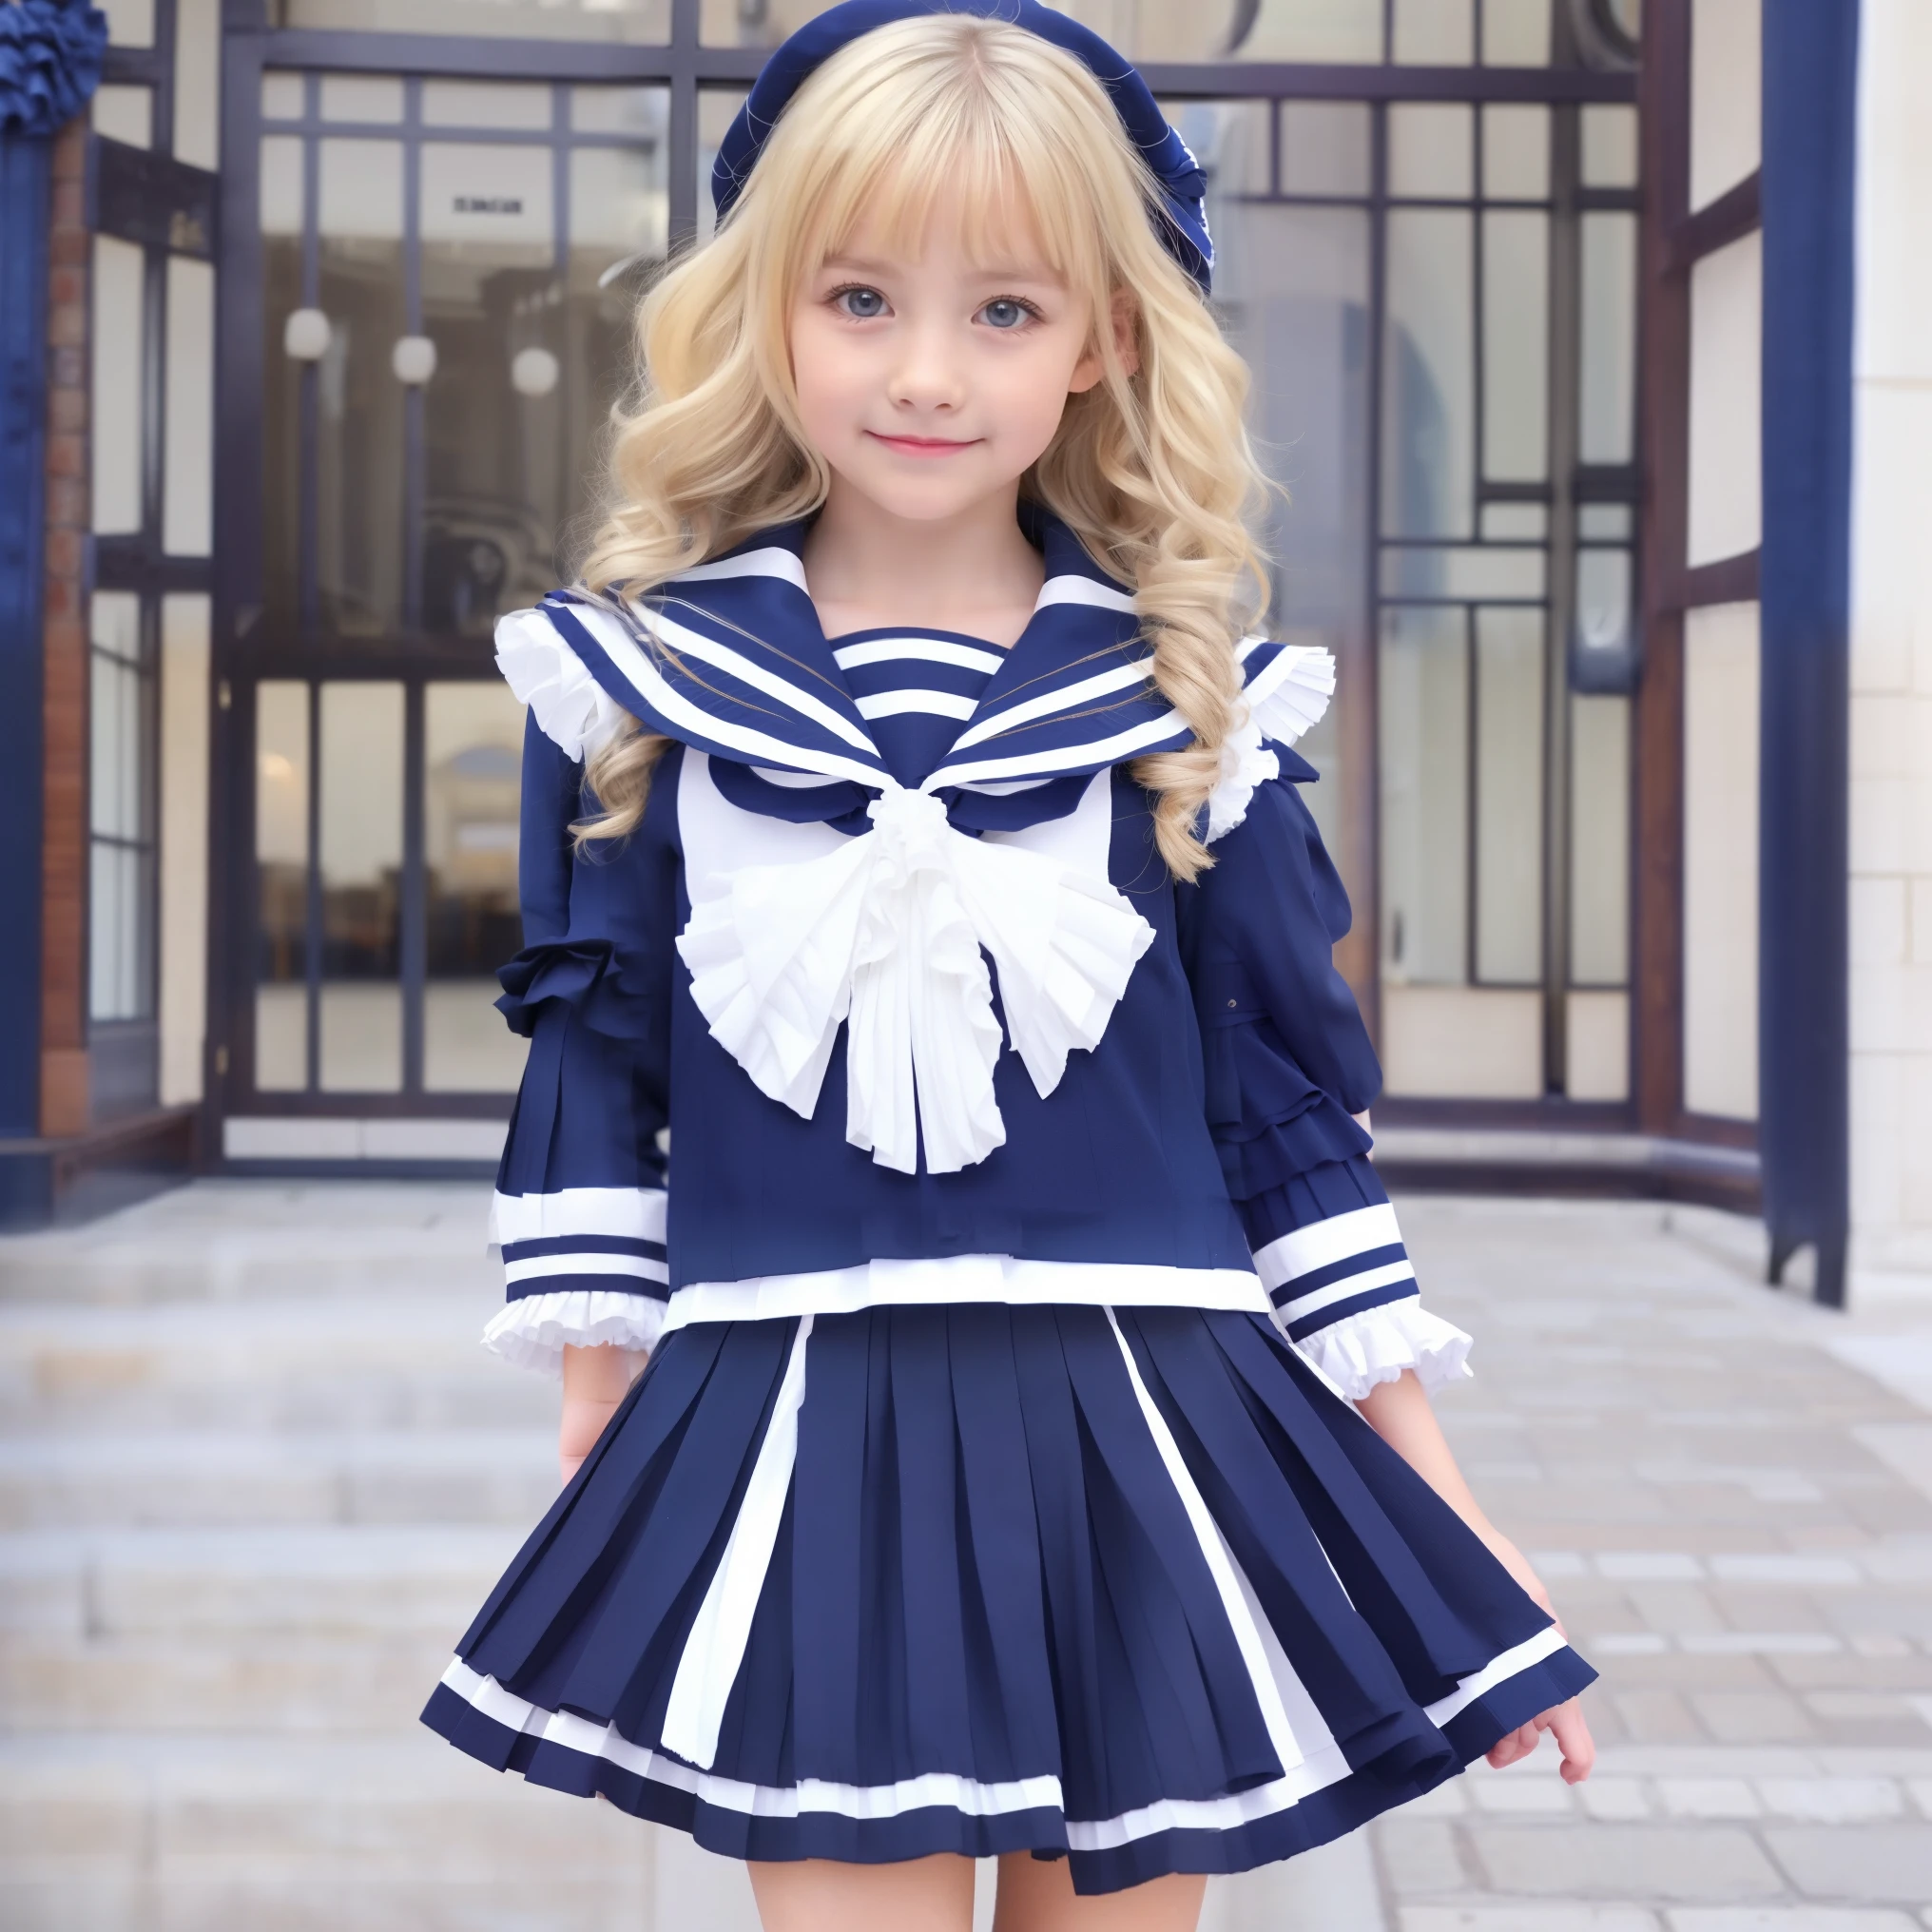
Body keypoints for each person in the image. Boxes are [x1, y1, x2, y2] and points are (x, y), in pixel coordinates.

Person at [419, 5, 1595, 1926]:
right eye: (860, 298)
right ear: (767, 311)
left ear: (1102, 339)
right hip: (800, 1419)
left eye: (1003, 311)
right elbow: (598, 1058)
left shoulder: (1189, 707)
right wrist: (598, 1403)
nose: (924, 372)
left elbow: (1283, 1128)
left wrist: (1446, 1513)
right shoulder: (638, 689)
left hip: (1150, 1438)